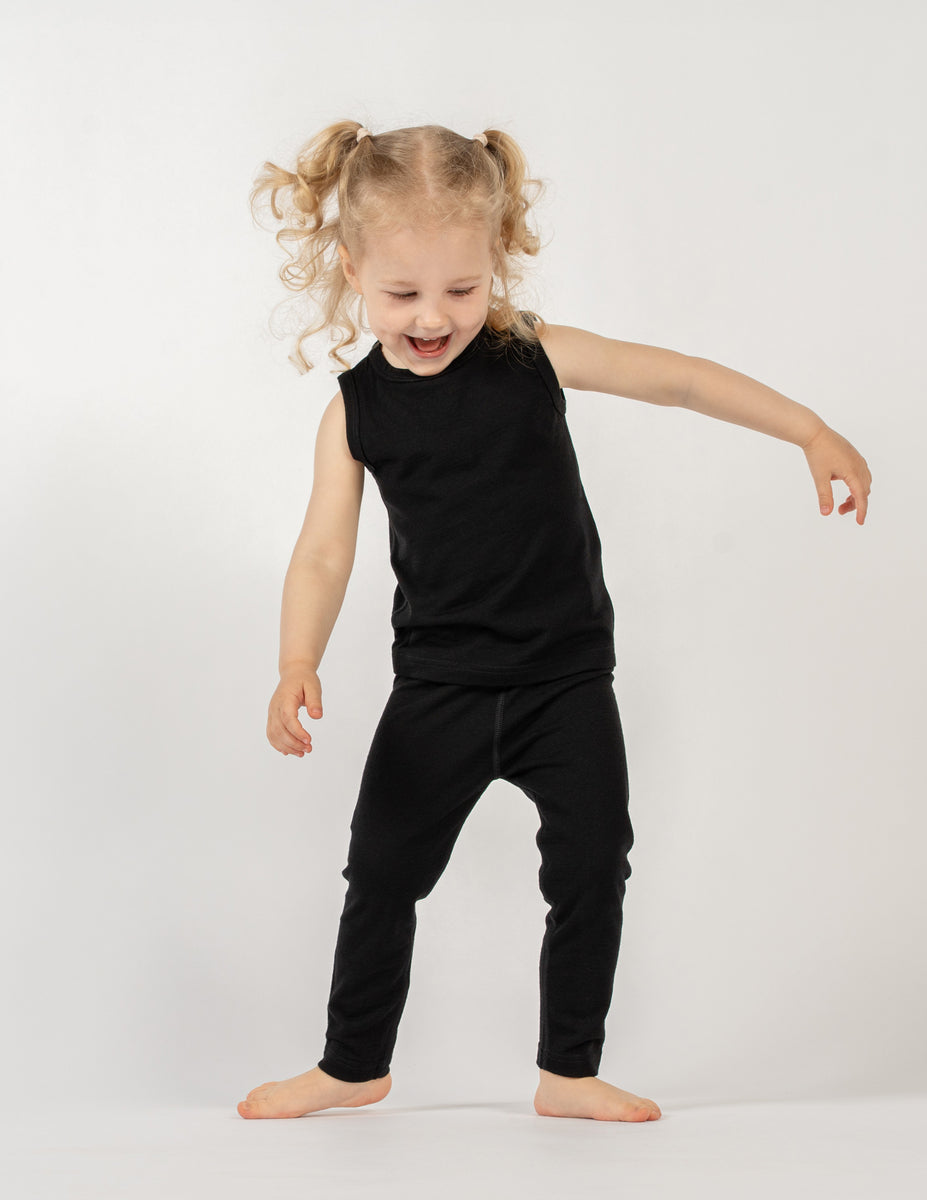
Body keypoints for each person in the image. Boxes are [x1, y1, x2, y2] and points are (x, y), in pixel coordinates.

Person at [238, 121, 871, 1124]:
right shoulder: (355, 412)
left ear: (496, 260)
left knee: (589, 869)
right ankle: (353, 1063)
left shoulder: (530, 356)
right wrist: (294, 658)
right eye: (402, 294)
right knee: (382, 873)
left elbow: (678, 379)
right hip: (437, 688)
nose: (433, 316)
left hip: (565, 682)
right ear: (352, 270)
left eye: (462, 288)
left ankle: (567, 1072)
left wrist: (809, 429)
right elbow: (322, 550)